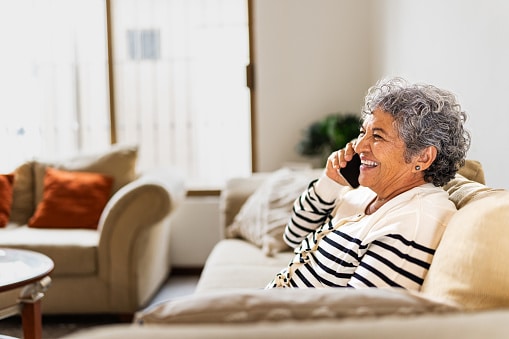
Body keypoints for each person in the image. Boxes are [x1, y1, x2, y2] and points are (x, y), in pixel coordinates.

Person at [266, 77, 471, 290]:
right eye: (363, 132)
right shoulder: (364, 193)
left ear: (423, 157)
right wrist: (330, 182)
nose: (359, 145)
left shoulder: (413, 222)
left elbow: (359, 315)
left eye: (377, 136)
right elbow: (293, 236)